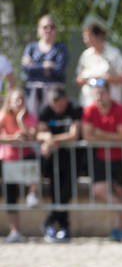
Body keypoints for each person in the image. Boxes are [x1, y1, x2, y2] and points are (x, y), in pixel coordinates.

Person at [81, 78, 122, 241]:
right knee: (99, 191)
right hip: (104, 156)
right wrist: (110, 137)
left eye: (102, 92)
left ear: (109, 93)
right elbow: (87, 136)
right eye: (96, 93)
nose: (99, 96)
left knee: (121, 192)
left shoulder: (121, 109)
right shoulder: (89, 110)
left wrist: (99, 133)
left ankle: (117, 229)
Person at [37, 88, 81, 242]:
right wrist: (47, 137)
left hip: (72, 158)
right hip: (52, 159)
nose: (59, 109)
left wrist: (52, 140)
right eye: (56, 105)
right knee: (56, 193)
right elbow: (40, 132)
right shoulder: (45, 110)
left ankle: (50, 221)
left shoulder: (74, 108)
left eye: (62, 105)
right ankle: (63, 227)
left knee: (66, 192)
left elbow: (74, 135)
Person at [0, 88, 38, 242]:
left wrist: (21, 121)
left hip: (26, 156)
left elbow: (30, 137)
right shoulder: (3, 116)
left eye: (22, 99)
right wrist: (13, 138)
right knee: (10, 195)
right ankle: (14, 230)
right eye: (16, 99)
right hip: (9, 158)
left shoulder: (29, 117)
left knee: (34, 162)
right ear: (9, 102)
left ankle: (32, 193)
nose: (19, 102)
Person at [22, 14, 68, 117]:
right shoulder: (31, 47)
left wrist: (34, 66)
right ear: (39, 29)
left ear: (56, 30)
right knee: (32, 122)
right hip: (32, 93)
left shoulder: (61, 48)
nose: (48, 30)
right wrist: (45, 66)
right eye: (45, 27)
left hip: (54, 94)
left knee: (50, 122)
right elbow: (26, 69)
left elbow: (59, 70)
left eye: (52, 27)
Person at [75, 22, 122, 106]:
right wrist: (86, 79)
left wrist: (103, 79)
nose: (86, 40)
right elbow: (78, 79)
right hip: (88, 105)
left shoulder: (114, 54)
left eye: (89, 36)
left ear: (99, 36)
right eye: (84, 37)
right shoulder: (86, 55)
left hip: (110, 106)